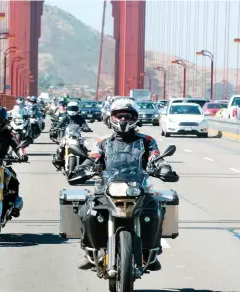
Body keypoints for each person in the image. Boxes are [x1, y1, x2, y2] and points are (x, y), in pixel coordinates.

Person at [75, 98, 179, 271]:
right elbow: (93, 157)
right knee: (88, 210)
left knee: (157, 210)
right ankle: (89, 251)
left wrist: (164, 167)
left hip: (139, 186)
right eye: (119, 116)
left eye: (127, 116)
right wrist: (83, 168)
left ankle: (151, 252)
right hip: (107, 186)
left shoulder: (146, 141)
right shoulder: (103, 141)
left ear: (135, 118)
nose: (123, 120)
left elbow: (155, 157)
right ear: (112, 117)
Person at [52, 101, 92, 168]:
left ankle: (85, 160)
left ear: (77, 109)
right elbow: (60, 124)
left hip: (77, 136)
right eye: (71, 108)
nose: (72, 110)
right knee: (61, 146)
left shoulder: (80, 118)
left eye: (74, 108)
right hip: (67, 135)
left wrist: (87, 128)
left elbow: (84, 124)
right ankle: (58, 158)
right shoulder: (66, 117)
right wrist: (56, 128)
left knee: (84, 147)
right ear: (68, 109)